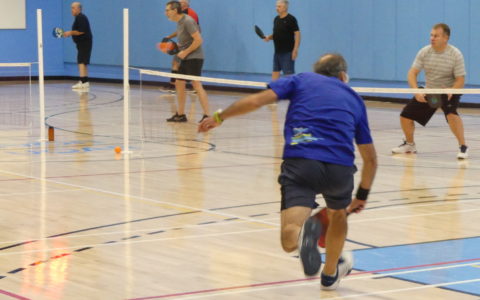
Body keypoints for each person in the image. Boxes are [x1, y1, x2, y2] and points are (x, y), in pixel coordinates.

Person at [199, 53, 377, 290]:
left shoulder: (301, 79)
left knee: (289, 236)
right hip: (339, 167)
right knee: (337, 216)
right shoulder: (354, 98)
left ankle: (304, 233)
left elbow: (256, 101)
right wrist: (362, 196)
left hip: (301, 161)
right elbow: (371, 158)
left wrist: (220, 116)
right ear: (343, 75)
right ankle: (330, 274)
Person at [392, 23, 468, 159]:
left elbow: (460, 79)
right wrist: (417, 91)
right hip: (432, 94)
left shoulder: (455, 54)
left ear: (446, 38)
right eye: (431, 35)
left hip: (448, 92)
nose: (432, 38)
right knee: (405, 115)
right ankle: (410, 144)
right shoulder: (424, 52)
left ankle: (463, 147)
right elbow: (412, 73)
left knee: (451, 114)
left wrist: (453, 89)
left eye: (436, 36)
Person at [164, 1, 209, 123]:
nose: (165, 13)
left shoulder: (188, 21)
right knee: (179, 83)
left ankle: (207, 115)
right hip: (184, 57)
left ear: (174, 10)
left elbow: (199, 40)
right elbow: (186, 40)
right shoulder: (179, 22)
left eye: (167, 10)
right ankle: (181, 114)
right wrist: (177, 47)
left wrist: (185, 52)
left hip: (194, 57)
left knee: (196, 85)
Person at [162, 0, 200, 93]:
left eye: (182, 1)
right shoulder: (181, 15)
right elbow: (181, 30)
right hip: (185, 44)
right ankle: (174, 86)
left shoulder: (190, 14)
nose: (179, 2)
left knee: (186, 66)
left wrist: (186, 44)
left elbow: (194, 31)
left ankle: (195, 88)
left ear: (187, 3)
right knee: (176, 63)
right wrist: (169, 36)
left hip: (190, 44)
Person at [264, 0, 301, 81]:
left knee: (289, 77)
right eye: (276, 6)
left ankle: (291, 93)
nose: (277, 8)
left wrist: (295, 49)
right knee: (274, 76)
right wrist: (268, 37)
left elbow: (298, 35)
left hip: (288, 53)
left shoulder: (291, 19)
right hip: (277, 53)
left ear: (285, 8)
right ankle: (274, 91)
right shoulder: (276, 19)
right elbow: (277, 34)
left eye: (279, 6)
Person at [63, 2, 93, 90]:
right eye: (71, 8)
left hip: (85, 43)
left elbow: (81, 31)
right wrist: (70, 33)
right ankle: (85, 81)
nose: (71, 10)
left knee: (81, 62)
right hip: (82, 43)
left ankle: (83, 82)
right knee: (83, 62)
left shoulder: (81, 17)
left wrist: (70, 32)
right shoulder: (78, 18)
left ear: (79, 9)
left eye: (73, 8)